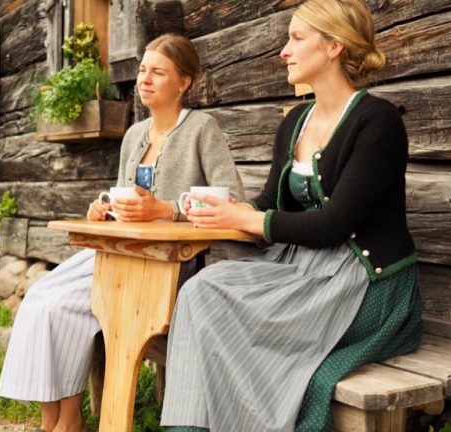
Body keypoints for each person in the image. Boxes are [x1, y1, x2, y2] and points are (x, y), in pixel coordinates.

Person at [160, 1, 422, 431]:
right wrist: (229, 212)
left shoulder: (377, 121)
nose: (284, 50)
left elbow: (335, 224)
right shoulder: (296, 121)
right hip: (302, 269)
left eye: (297, 38)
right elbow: (270, 203)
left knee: (219, 306)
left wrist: (247, 220)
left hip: (363, 281)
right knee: (201, 290)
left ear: (334, 46)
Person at [0, 33, 244, 432]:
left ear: (183, 83)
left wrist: (168, 210)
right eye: (143, 70)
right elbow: (124, 198)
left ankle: (71, 420)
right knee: (40, 297)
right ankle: (53, 420)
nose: (144, 79)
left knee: (62, 306)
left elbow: (232, 200)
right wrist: (105, 210)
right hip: (120, 251)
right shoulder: (134, 135)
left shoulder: (201, 128)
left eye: (157, 72)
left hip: (169, 265)